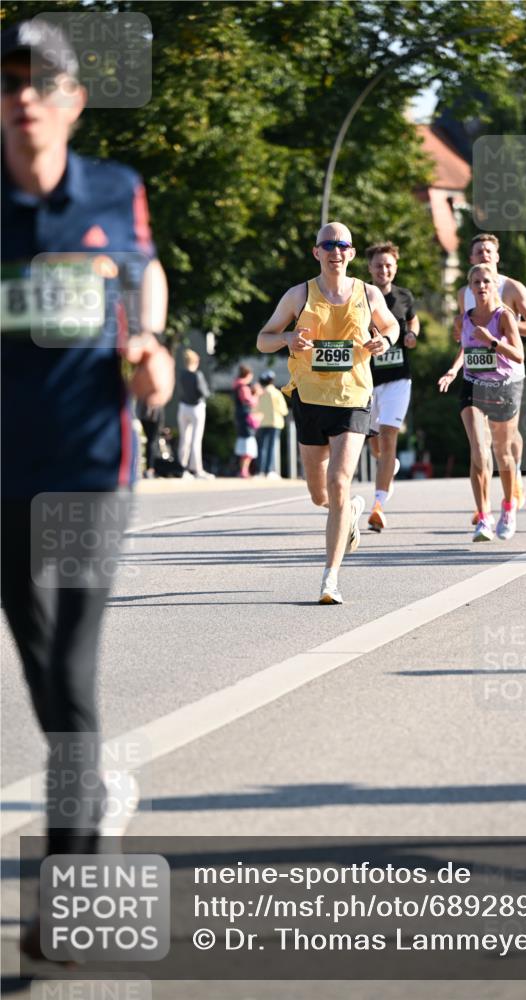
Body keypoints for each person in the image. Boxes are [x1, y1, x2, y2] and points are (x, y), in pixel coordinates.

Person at [0, 18, 174, 956]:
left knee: (69, 670)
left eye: (41, 80)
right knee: (38, 674)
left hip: (88, 469)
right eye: (7, 80)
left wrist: (151, 356)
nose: (21, 95)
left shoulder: (114, 190)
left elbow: (144, 284)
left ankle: (67, 892)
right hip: (1, 474)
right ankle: (95, 789)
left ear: (71, 100)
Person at [257, 221, 399, 604]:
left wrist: (383, 341)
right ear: (316, 252)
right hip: (309, 399)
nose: (336, 251)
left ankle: (330, 578)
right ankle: (350, 509)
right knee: (320, 494)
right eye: (328, 245)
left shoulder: (368, 294)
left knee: (339, 480)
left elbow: (392, 326)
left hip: (353, 397)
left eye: (343, 246)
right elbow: (264, 338)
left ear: (351, 254)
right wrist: (287, 337)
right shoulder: (299, 294)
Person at [457, 233, 526, 521]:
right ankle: (483, 505)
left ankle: (514, 472)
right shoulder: (465, 293)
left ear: (497, 257)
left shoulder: (512, 288)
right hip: (476, 374)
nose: (484, 256)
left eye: (489, 252)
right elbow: (466, 335)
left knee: (504, 440)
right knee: (482, 444)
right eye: (478, 252)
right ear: (471, 260)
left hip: (508, 372)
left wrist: (508, 329)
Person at [439, 264, 524, 541]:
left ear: (494, 285)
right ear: (470, 287)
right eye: (476, 282)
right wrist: (453, 370)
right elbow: (465, 347)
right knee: (478, 451)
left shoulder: (504, 317)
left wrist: (492, 342)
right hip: (473, 386)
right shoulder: (463, 318)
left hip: (503, 387)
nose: (482, 286)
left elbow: (519, 355)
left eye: (486, 281)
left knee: (503, 454)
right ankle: (484, 518)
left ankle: (509, 508)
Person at [365, 241, 420, 532]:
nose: (383, 270)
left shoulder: (404, 296)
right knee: (374, 443)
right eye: (378, 265)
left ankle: (378, 505)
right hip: (367, 381)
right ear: (369, 268)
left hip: (398, 379)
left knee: (388, 438)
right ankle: (388, 465)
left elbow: (413, 321)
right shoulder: (361, 295)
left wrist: (411, 335)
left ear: (395, 267)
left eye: (388, 265)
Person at [178, 348, 214, 479]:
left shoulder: (182, 374)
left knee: (184, 439)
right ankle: (197, 470)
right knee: (196, 440)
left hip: (183, 407)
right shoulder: (197, 375)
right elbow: (204, 392)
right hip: (196, 408)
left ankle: (182, 468)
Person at [256, 369, 289, 477]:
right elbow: (284, 410)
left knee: (261, 447)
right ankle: (269, 470)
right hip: (275, 422)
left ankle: (260, 471)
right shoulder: (276, 393)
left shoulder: (260, 393)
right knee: (271, 447)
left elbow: (255, 408)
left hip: (261, 422)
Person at [233, 363, 260, 478]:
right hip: (245, 418)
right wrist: (257, 394)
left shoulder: (236, 385)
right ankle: (244, 470)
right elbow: (250, 401)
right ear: (248, 374)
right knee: (248, 447)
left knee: (244, 445)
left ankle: (243, 470)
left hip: (240, 417)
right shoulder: (244, 387)